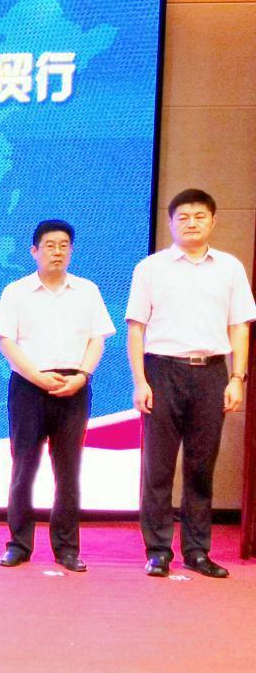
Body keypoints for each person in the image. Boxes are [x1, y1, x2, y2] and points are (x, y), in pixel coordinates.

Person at [127, 188, 256, 578]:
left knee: (201, 466)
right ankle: (158, 550)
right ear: (170, 222)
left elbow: (240, 326)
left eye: (200, 216)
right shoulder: (151, 268)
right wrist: (140, 381)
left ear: (214, 221)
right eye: (183, 217)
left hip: (211, 372)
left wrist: (237, 377)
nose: (192, 223)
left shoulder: (229, 268)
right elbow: (136, 328)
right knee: (158, 467)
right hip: (162, 371)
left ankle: (197, 551)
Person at [0, 220, 114, 572]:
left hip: (74, 387)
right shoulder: (16, 292)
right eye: (49, 245)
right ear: (34, 251)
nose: (57, 251)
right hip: (29, 387)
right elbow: (6, 341)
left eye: (63, 245)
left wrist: (83, 376)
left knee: (68, 471)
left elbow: (97, 339)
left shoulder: (87, 291)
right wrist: (37, 377)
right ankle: (18, 545)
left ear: (71, 251)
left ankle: (67, 548)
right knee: (24, 468)